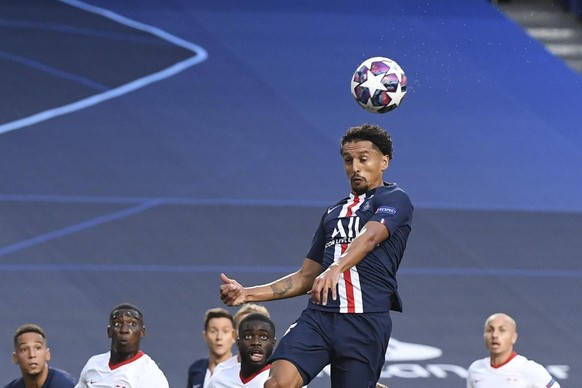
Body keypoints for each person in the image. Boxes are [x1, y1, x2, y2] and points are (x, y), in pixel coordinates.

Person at [220, 123, 413, 388]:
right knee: (275, 384)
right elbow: (306, 277)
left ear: (384, 162)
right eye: (348, 160)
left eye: (363, 159)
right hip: (319, 318)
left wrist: (336, 268)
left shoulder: (395, 199)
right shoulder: (332, 213)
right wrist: (246, 294)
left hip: (364, 322)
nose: (355, 167)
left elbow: (369, 238)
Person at [75, 303, 169, 388]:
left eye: (132, 324)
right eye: (117, 324)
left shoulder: (150, 375)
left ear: (142, 332)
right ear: (109, 331)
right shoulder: (93, 364)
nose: (124, 330)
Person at [466, 313, 560, 387]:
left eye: (502, 330)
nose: (495, 335)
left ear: (514, 337)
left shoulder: (530, 370)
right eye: (490, 330)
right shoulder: (475, 369)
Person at [206, 313, 276, 388]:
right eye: (248, 336)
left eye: (263, 337)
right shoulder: (219, 379)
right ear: (238, 342)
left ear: (273, 343)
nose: (256, 342)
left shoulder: (280, 380)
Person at [5, 323, 76, 388]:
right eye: (24, 349)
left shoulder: (65, 384)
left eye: (38, 348)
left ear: (47, 354)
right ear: (15, 358)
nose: (32, 355)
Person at [187, 308, 236, 388]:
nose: (219, 337)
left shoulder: (240, 370)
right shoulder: (196, 368)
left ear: (234, 336)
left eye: (225, 331)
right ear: (205, 336)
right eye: (213, 331)